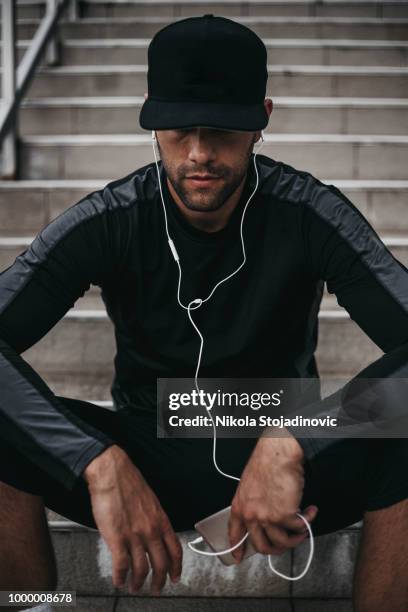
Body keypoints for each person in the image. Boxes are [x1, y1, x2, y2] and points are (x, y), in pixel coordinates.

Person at [0, 14, 407, 611]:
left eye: (222, 130)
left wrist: (302, 439)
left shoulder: (311, 213)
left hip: (289, 465)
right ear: (150, 115)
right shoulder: (110, 220)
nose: (198, 153)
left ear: (261, 120)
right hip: (148, 452)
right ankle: (37, 606)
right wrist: (93, 459)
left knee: (402, 435)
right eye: (177, 128)